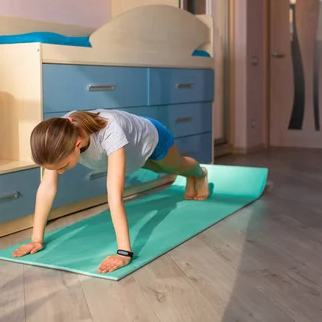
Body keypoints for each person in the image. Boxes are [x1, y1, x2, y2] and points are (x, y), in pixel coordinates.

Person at [11, 109, 210, 274]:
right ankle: (192, 176)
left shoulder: (109, 131)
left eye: (62, 166)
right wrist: (36, 239)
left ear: (77, 144)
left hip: (152, 137)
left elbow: (115, 195)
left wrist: (124, 253)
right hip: (131, 149)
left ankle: (199, 174)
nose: (59, 172)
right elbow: (47, 187)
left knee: (171, 168)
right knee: (156, 169)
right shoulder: (57, 138)